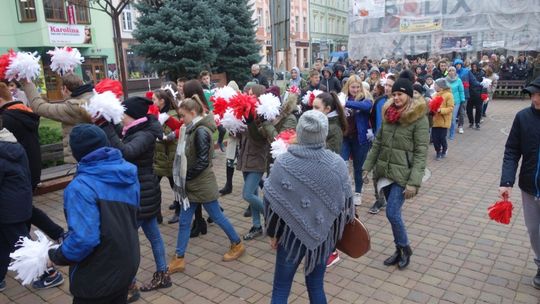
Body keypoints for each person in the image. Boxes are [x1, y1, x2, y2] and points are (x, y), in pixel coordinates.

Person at [264, 110, 355, 303]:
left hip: (288, 236)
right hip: (324, 238)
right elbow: (346, 205)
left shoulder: (284, 161)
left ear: (300, 132)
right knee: (315, 286)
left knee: (281, 288)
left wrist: (273, 233)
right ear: (323, 134)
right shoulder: (336, 163)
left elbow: (271, 203)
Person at [48, 124, 140, 304]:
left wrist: (55, 255)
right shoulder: (127, 171)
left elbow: (84, 239)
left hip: (97, 275)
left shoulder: (80, 187)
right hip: (126, 262)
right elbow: (134, 215)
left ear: (76, 153)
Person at [99, 96, 169, 299]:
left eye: (124, 115)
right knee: (153, 234)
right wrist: (110, 124)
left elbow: (126, 153)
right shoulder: (135, 130)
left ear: (135, 117)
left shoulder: (145, 134)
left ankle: (130, 286)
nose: (121, 119)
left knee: (125, 241)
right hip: (142, 190)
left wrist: (107, 128)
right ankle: (162, 274)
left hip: (141, 192)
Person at [168, 97, 245, 274]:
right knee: (185, 222)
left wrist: (184, 176)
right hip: (193, 184)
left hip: (201, 184)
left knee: (217, 216)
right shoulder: (191, 128)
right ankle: (179, 258)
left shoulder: (200, 131)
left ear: (193, 113)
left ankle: (237, 244)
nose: (180, 119)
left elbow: (203, 161)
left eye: (182, 115)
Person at [0, 82, 66, 289]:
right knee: (8, 241)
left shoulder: (9, 123)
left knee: (21, 242)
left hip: (11, 202)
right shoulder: (14, 127)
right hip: (19, 189)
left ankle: (49, 272)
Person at [362, 76, 429, 269]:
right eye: (394, 94)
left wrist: (414, 182)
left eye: (400, 94)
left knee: (392, 212)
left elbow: (420, 153)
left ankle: (405, 248)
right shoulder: (389, 114)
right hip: (386, 171)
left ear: (408, 95)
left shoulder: (419, 119)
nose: (396, 97)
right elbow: (378, 143)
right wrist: (367, 167)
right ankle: (399, 249)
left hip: (404, 175)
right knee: (394, 214)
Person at [499, 77, 540, 289]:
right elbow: (512, 150)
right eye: (533, 94)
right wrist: (506, 181)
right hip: (529, 185)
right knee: (534, 229)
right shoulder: (523, 117)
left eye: (538, 94)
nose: (535, 98)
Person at [23, 74, 94, 163]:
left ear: (65, 89)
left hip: (81, 158)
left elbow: (39, 107)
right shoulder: (93, 98)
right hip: (95, 154)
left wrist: (27, 82)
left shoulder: (73, 108)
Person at [0, 125, 32, 292]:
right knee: (4, 244)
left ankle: (48, 273)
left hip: (8, 210)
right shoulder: (12, 143)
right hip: (19, 204)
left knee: (23, 245)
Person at [237, 84, 270, 240]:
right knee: (254, 192)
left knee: (248, 194)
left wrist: (250, 121)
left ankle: (272, 216)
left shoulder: (264, 115)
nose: (248, 97)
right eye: (247, 94)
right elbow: (243, 136)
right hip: (245, 157)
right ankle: (257, 225)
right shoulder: (247, 111)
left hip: (257, 158)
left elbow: (258, 137)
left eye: (252, 95)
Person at [152, 88, 183, 224]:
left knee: (175, 185)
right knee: (153, 186)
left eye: (154, 99)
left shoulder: (172, 115)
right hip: (159, 157)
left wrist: (165, 136)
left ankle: (179, 211)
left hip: (170, 156)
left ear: (162, 101)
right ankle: (156, 213)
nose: (152, 102)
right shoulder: (156, 113)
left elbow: (176, 131)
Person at [341, 75, 373, 206]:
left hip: (360, 139)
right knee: (342, 164)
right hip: (344, 137)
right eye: (352, 87)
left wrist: (345, 103)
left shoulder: (366, 98)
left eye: (357, 87)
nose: (355, 89)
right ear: (348, 87)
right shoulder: (342, 97)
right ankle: (343, 191)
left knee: (358, 167)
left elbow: (365, 107)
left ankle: (358, 192)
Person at [219, 81, 242, 196]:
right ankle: (228, 185)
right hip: (232, 139)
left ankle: (256, 188)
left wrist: (238, 132)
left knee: (244, 166)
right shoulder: (227, 103)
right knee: (229, 162)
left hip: (242, 140)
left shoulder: (241, 103)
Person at [454, 59, 483, 130]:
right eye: (456, 64)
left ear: (461, 64)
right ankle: (452, 125)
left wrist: (481, 84)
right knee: (454, 111)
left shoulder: (467, 71)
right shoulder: (452, 71)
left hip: (465, 94)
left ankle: (461, 126)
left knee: (462, 111)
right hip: (454, 94)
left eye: (459, 64)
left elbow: (473, 80)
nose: (458, 65)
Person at [431, 78, 454, 160]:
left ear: (441, 87)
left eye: (436, 85)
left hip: (444, 121)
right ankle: (438, 152)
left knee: (442, 137)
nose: (434, 86)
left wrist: (441, 110)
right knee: (434, 138)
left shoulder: (449, 95)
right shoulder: (434, 95)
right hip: (435, 120)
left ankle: (444, 149)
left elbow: (451, 108)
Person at [446, 67, 466, 139]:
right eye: (450, 70)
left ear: (455, 72)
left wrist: (462, 100)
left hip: (456, 101)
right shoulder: (445, 80)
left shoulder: (458, 80)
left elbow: (461, 91)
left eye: (453, 70)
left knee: (453, 118)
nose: (451, 72)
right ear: (447, 72)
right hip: (447, 101)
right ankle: (446, 132)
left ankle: (452, 133)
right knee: (446, 117)